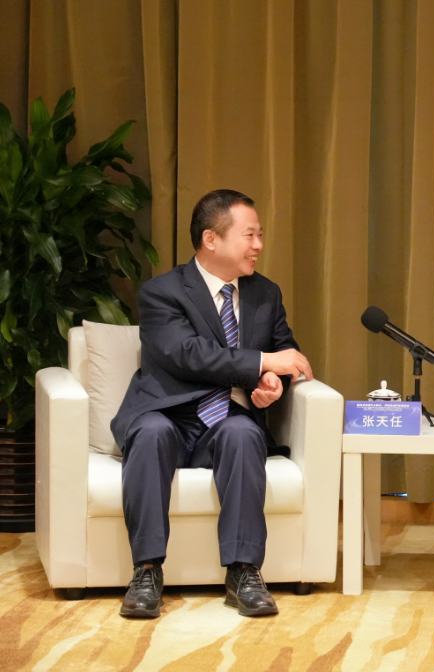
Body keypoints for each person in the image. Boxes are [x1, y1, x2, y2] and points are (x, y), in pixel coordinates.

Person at [111, 189, 313, 619]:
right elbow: (186, 354)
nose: (259, 245)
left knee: (243, 433)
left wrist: (273, 383)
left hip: (226, 419)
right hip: (166, 412)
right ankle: (146, 571)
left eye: (260, 235)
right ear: (211, 239)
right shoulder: (162, 292)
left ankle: (244, 573)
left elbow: (284, 353)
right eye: (249, 235)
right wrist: (262, 362)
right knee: (150, 432)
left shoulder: (265, 293)